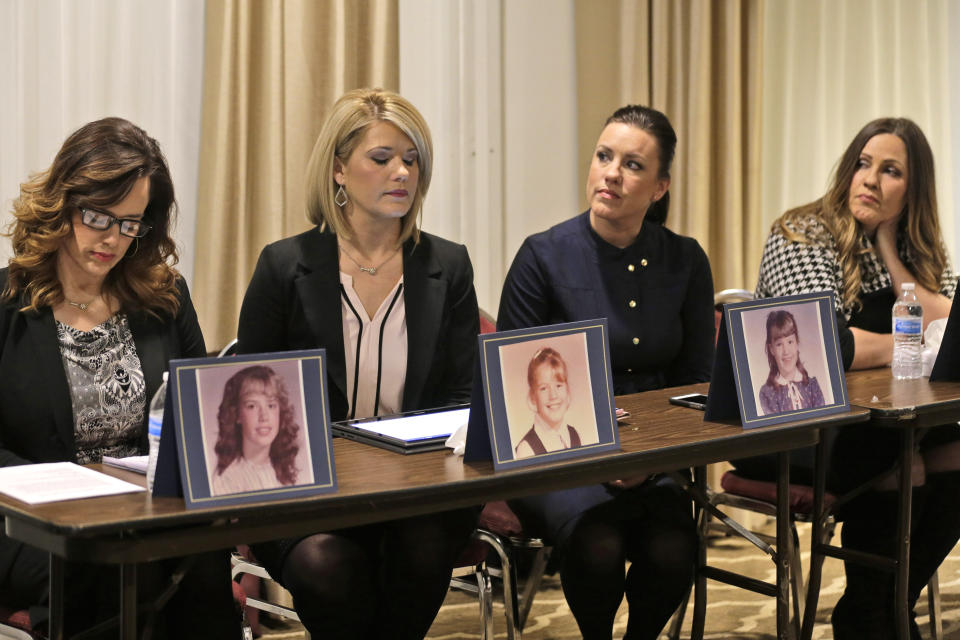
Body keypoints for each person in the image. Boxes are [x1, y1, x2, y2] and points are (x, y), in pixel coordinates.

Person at [236, 88, 479, 640]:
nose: (402, 172)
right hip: (310, 492)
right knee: (328, 566)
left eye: (412, 160)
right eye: (382, 158)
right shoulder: (284, 266)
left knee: (419, 555)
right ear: (339, 169)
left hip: (420, 488)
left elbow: (462, 395)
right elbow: (245, 399)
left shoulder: (448, 266)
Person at [0, 117, 239, 638]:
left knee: (199, 559)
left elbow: (198, 412)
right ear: (63, 203)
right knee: (109, 566)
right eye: (99, 217)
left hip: (143, 513)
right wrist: (70, 489)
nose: (113, 238)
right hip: (28, 523)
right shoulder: (6, 305)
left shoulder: (163, 299)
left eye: (131, 224)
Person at [497, 104, 715, 640]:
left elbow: (697, 386)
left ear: (659, 187)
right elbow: (513, 387)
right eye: (603, 156)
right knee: (598, 542)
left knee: (673, 548)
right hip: (559, 455)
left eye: (633, 165)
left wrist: (647, 458)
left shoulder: (685, 260)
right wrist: (598, 458)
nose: (612, 172)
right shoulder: (542, 257)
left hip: (656, 453)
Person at [737, 117, 959, 639]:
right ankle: (868, 613)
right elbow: (821, 349)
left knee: (953, 448)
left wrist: (888, 250)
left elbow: (950, 326)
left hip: (882, 419)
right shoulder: (803, 233)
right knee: (898, 455)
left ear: (914, 189)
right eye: (862, 163)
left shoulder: (921, 248)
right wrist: (912, 344)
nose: (870, 179)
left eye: (890, 170)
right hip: (789, 422)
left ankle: (890, 601)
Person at [211, 365, 304, 495]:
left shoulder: (284, 471)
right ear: (236, 414)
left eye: (271, 405)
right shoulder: (228, 481)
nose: (264, 416)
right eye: (252, 406)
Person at [515, 347, 582, 458]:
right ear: (532, 397)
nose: (553, 395)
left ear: (568, 390)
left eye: (559, 385)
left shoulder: (575, 435)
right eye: (544, 388)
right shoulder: (526, 450)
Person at [757, 309, 825, 415]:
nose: (786, 351)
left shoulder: (813, 386)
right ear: (771, 349)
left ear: (797, 343)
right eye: (779, 344)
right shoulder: (767, 394)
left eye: (790, 342)